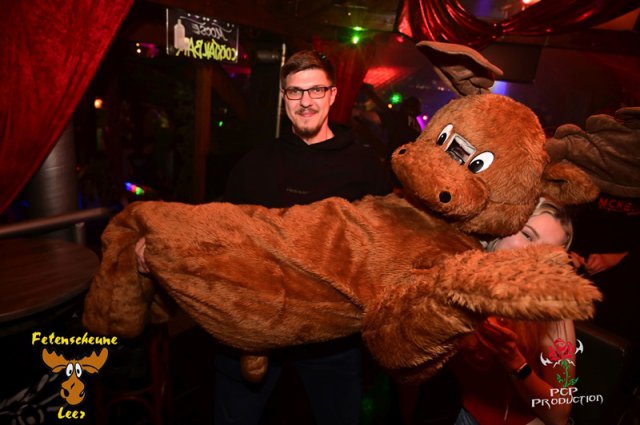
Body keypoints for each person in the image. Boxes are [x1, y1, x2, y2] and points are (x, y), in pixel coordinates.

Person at [213, 50, 392, 425]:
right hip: (259, 326)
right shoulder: (255, 163)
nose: (305, 101)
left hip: (333, 336)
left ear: (332, 94)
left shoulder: (365, 168)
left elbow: (386, 246)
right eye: (295, 91)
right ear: (284, 97)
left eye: (315, 90)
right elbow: (218, 229)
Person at [451, 198, 577, 425]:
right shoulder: (456, 276)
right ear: (503, 225)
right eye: (527, 235)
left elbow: (559, 413)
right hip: (463, 414)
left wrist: (513, 360)